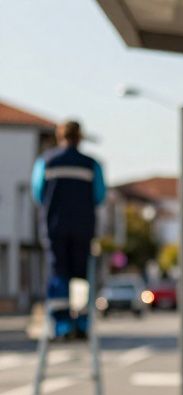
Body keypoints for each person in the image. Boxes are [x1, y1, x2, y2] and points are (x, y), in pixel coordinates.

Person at [31, 120, 106, 340]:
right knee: (81, 275)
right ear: (80, 137)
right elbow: (99, 195)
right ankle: (82, 323)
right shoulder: (92, 164)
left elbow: (38, 194)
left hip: (54, 227)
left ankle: (62, 325)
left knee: (58, 273)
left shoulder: (46, 162)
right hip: (83, 227)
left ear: (59, 136)